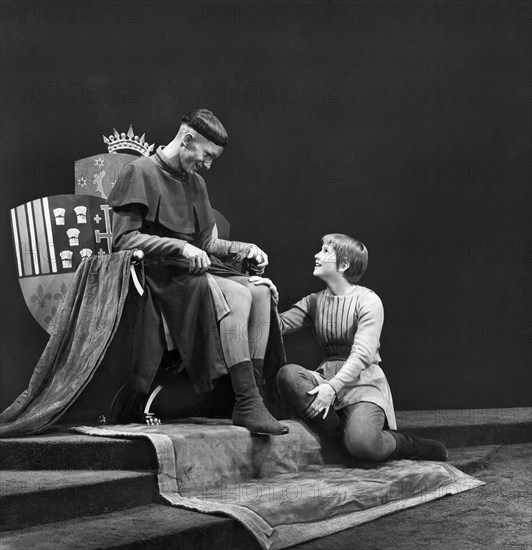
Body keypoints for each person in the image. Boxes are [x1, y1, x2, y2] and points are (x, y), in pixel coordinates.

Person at [107, 109, 288, 436]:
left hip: (193, 271)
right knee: (238, 293)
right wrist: (179, 247)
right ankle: (246, 399)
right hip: (158, 276)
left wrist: (245, 249)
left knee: (259, 291)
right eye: (206, 155)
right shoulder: (139, 172)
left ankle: (252, 398)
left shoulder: (197, 183)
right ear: (187, 139)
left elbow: (206, 242)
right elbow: (123, 239)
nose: (207, 164)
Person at [251, 234, 447, 461]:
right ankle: (340, 443)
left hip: (363, 384)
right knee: (288, 375)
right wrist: (268, 299)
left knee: (364, 445)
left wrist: (332, 388)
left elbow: (362, 354)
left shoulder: (368, 301)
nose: (317, 255)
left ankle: (406, 444)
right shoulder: (314, 300)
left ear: (343, 265)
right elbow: (279, 326)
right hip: (326, 379)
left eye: (325, 251)